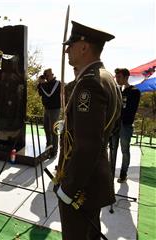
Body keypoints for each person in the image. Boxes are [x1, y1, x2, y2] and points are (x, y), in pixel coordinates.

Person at [54, 21, 122, 239]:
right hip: (91, 178)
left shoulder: (89, 83)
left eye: (71, 44)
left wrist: (68, 188)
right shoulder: (106, 77)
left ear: (84, 47)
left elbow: (88, 144)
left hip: (81, 183)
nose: (67, 50)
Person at [111, 68, 141, 183]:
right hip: (115, 125)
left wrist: (120, 114)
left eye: (119, 77)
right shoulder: (117, 90)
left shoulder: (134, 91)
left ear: (126, 77)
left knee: (124, 150)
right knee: (113, 149)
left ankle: (123, 174)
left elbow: (131, 111)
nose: (117, 79)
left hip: (125, 125)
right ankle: (111, 171)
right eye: (116, 77)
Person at [37, 68, 61, 158]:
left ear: (51, 74)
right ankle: (49, 147)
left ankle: (54, 151)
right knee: (47, 129)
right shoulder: (45, 85)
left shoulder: (57, 83)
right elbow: (40, 93)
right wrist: (40, 83)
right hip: (47, 109)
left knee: (53, 130)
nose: (46, 77)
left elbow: (49, 94)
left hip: (55, 109)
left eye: (47, 75)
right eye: (45, 75)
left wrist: (42, 85)